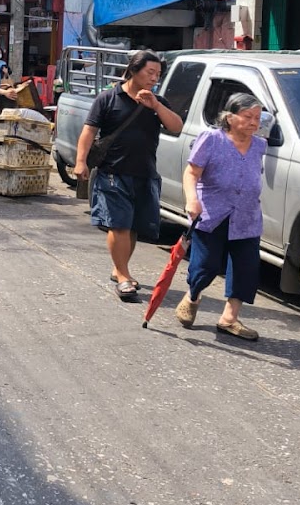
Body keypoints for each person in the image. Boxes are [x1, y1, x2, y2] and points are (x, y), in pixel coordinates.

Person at [73, 49, 183, 301]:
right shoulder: (108, 99)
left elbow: (176, 126)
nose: (154, 78)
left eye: (158, 74)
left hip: (144, 173)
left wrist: (155, 105)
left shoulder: (157, 102)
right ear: (133, 70)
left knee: (133, 226)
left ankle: (119, 268)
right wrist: (81, 162)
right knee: (119, 224)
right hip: (113, 172)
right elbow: (89, 132)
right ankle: (123, 277)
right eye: (150, 72)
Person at [175, 93, 268, 341]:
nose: (253, 122)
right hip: (212, 212)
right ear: (229, 117)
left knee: (245, 268)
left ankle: (229, 318)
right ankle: (193, 295)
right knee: (206, 266)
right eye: (248, 116)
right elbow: (191, 173)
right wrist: (191, 199)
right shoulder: (212, 139)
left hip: (247, 216)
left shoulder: (260, 145)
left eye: (257, 118)